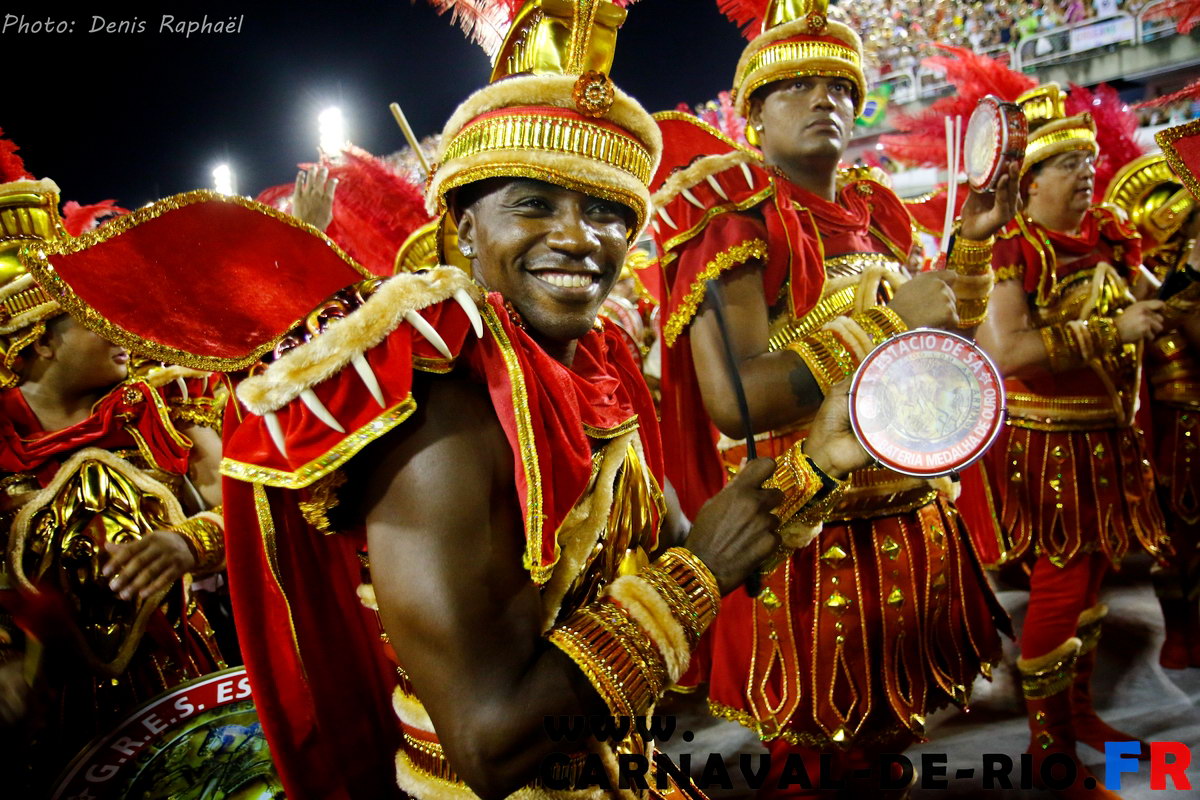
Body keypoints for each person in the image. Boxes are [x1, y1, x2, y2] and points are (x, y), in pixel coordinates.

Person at [18, 2, 879, 798]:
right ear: (464, 225)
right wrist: (703, 575)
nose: (581, 238)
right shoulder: (442, 411)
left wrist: (817, 467)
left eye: (611, 212)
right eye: (535, 205)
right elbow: (491, 742)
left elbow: (670, 547)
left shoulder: (596, 364)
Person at [649, 0, 1017, 794]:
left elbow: (943, 343)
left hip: (911, 514)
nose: (824, 101)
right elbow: (736, 404)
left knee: (889, 747)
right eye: (795, 87)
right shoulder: (732, 215)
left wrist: (976, 240)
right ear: (752, 113)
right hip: (808, 543)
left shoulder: (874, 210)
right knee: (815, 763)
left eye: (839, 86)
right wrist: (886, 318)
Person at [0, 154, 227, 793]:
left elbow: (245, 505)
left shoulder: (160, 405)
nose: (121, 326)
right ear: (40, 342)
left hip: (182, 687)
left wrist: (190, 543)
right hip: (51, 724)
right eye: (96, 318)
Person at [975, 83, 1171, 800]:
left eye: (1088, 161)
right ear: (1028, 184)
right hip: (1051, 451)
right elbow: (1009, 352)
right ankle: (1049, 750)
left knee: (1091, 589)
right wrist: (1106, 331)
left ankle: (1080, 716)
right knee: (1059, 592)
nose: (1085, 173)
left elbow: (1158, 300)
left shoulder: (1104, 239)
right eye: (1066, 164)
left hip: (1110, 440)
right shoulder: (1015, 250)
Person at [1104, 151, 1200, 670]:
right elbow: (1149, 324)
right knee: (1176, 530)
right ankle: (1181, 631)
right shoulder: (1159, 271)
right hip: (1173, 421)